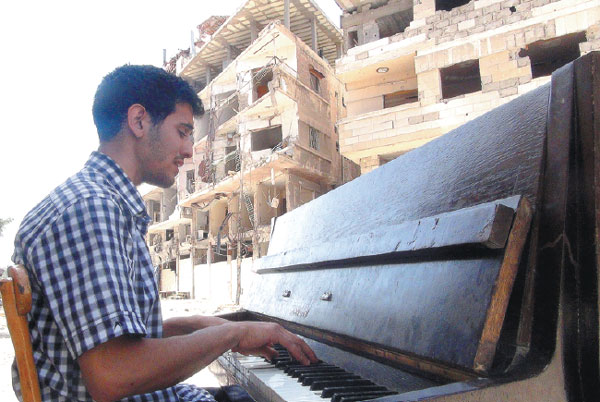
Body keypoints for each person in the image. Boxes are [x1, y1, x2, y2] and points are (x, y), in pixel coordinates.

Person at [11, 65, 317, 402]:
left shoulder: (101, 203)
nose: (188, 151)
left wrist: (200, 325)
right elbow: (115, 375)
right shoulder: (92, 209)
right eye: (183, 131)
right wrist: (234, 332)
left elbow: (121, 337)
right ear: (139, 121)